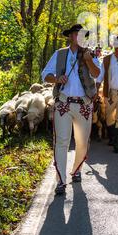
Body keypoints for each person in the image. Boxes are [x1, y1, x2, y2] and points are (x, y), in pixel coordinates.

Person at [42, 24, 100, 195]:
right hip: (63, 103)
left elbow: (97, 74)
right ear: (70, 36)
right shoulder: (60, 54)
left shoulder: (90, 54)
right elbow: (45, 75)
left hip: (84, 104)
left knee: (82, 142)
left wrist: (89, 60)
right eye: (76, 34)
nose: (79, 38)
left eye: (82, 35)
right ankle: (60, 181)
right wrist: (57, 79)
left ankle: (76, 170)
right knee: (61, 142)